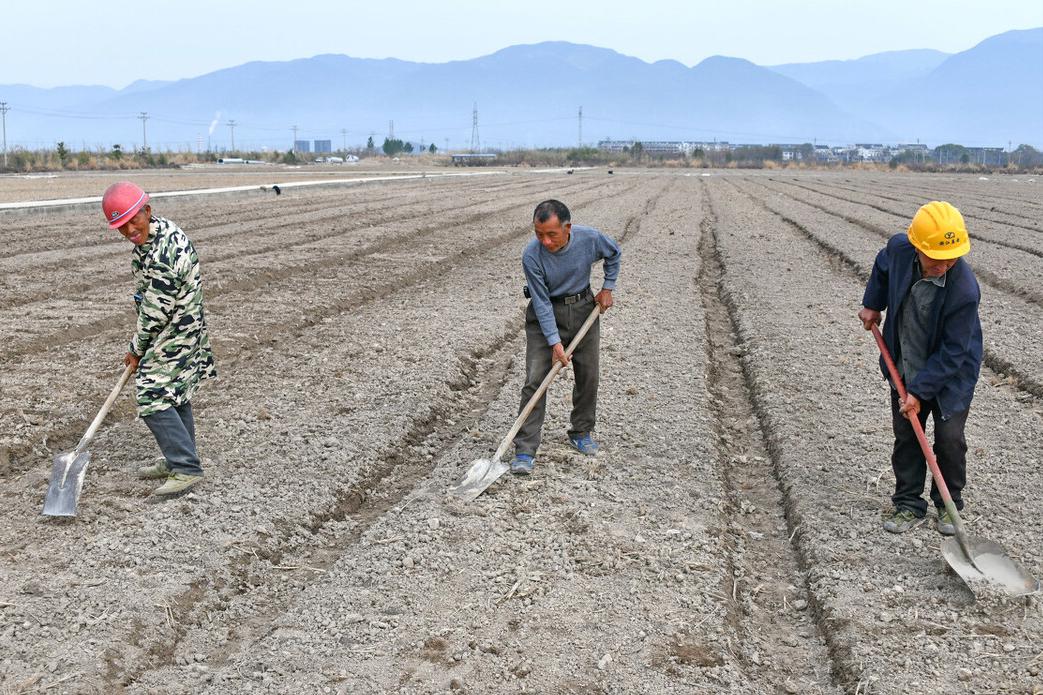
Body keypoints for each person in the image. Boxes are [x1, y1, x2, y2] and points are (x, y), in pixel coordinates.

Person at [858, 201, 982, 535]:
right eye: (935, 259)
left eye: (951, 258)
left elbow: (954, 351)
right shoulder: (900, 250)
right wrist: (873, 302)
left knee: (949, 439)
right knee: (907, 435)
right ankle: (908, 504)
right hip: (906, 360)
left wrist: (919, 392)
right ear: (917, 247)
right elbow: (883, 266)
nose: (944, 265)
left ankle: (948, 504)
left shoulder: (964, 290)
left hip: (950, 372)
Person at [102, 181, 216, 497]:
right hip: (169, 325)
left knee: (153, 394)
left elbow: (156, 310)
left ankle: (186, 469)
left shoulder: (168, 251)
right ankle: (179, 457)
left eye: (132, 221)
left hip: (178, 328)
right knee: (173, 392)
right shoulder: (152, 238)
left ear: (147, 211)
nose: (128, 230)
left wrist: (136, 349)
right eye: (120, 226)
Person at [511, 199, 621, 475]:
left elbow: (614, 254)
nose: (545, 241)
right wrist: (554, 343)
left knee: (588, 374)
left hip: (584, 309)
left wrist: (607, 287)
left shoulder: (589, 239)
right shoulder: (531, 256)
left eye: (551, 234)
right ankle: (525, 448)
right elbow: (542, 303)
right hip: (544, 314)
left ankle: (580, 431)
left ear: (567, 228)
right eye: (539, 234)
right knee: (535, 379)